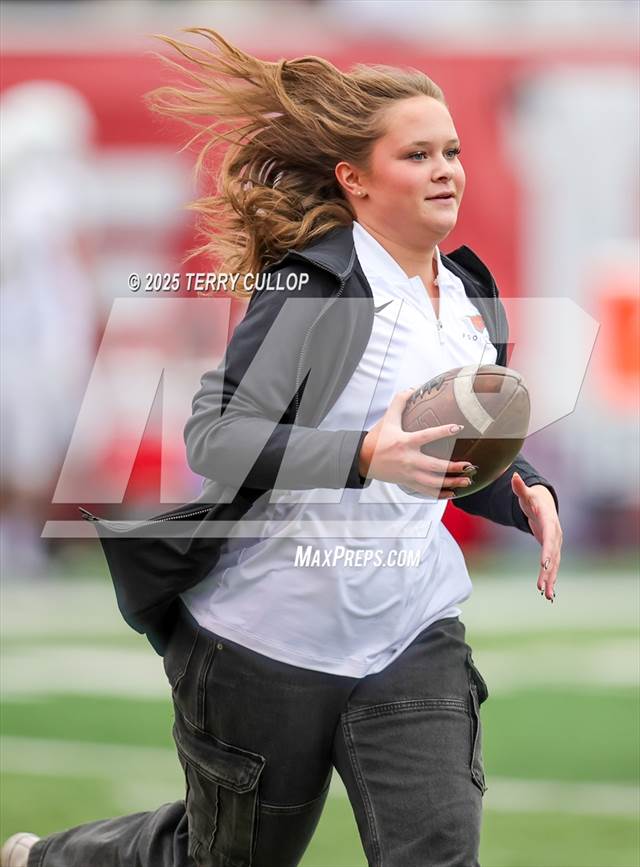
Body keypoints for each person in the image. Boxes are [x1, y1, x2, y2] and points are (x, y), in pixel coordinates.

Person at [2, 28, 562, 867]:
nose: (446, 168)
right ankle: (50, 859)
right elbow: (218, 437)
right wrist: (358, 455)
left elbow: (445, 463)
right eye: (417, 154)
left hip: (412, 629)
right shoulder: (314, 285)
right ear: (356, 179)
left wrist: (521, 487)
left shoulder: (473, 293)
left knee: (438, 855)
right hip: (269, 637)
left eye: (450, 149)